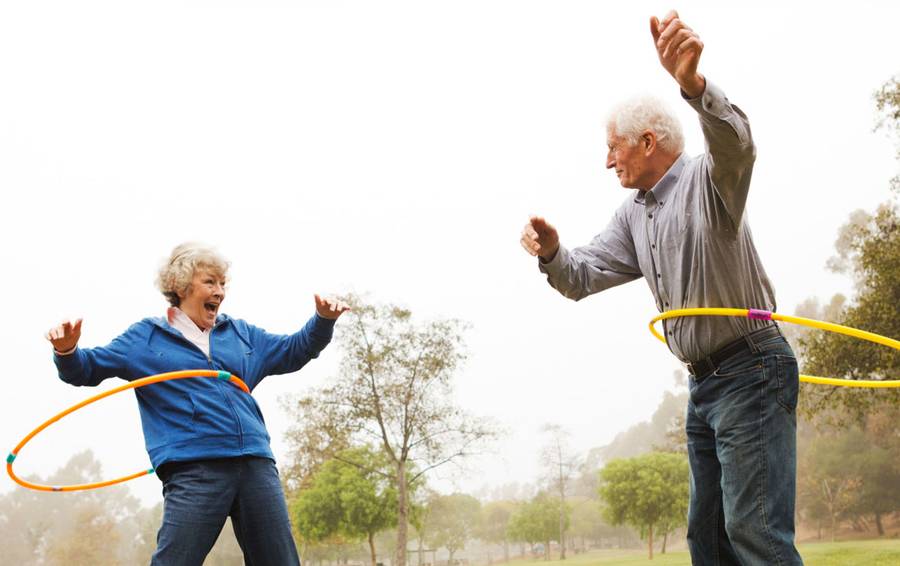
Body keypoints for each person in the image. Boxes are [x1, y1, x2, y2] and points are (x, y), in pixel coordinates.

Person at [520, 11, 803, 566]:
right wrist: (551, 251)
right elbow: (581, 275)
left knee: (756, 536)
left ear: (647, 142)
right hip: (703, 384)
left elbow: (738, 147)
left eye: (614, 147)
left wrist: (693, 86)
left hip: (751, 368)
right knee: (708, 540)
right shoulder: (634, 215)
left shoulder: (709, 179)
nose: (607, 160)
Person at [46, 242, 350, 565]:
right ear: (180, 286)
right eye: (210, 282)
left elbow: (294, 350)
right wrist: (66, 351)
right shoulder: (145, 339)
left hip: (255, 463)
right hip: (195, 468)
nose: (219, 291)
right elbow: (86, 369)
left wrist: (322, 321)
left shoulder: (240, 333)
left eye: (222, 283)